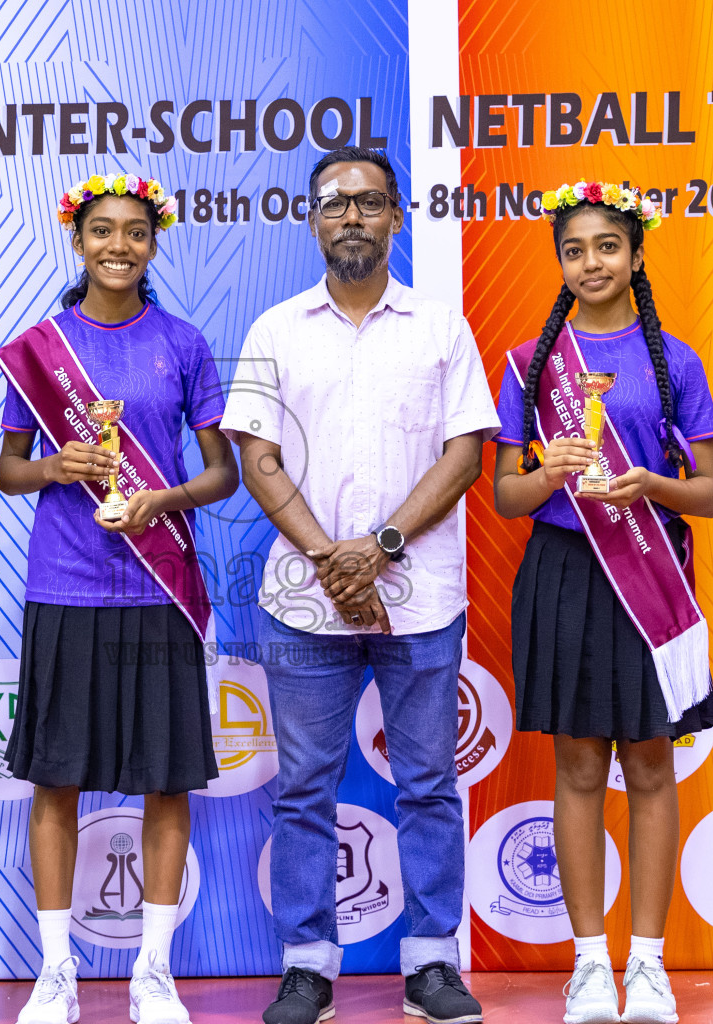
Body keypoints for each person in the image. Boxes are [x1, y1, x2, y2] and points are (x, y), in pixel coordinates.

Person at [221, 147, 497, 1024]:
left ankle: (431, 963)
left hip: (422, 600)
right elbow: (257, 459)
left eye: (369, 203)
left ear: (396, 218)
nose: (352, 217)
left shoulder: (440, 329)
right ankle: (307, 966)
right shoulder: (275, 330)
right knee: (306, 787)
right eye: (335, 204)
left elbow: (465, 453)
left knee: (427, 783)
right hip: (304, 607)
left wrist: (376, 551)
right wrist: (331, 564)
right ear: (312, 221)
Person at [0, 172, 238, 1024]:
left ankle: (153, 972)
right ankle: (55, 971)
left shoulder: (183, 342)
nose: (119, 246)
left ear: (154, 243)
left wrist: (161, 499)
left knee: (165, 781)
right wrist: (56, 467)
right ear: (78, 240)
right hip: (65, 588)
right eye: (102, 230)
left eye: (136, 231)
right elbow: (5, 470)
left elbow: (222, 473)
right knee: (55, 780)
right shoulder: (39, 349)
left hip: (160, 587)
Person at [491, 181, 713, 1024]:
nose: (591, 263)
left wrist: (652, 483)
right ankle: (591, 965)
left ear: (635, 254)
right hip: (564, 573)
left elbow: (710, 495)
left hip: (649, 577)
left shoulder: (677, 362)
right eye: (574, 250)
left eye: (606, 246)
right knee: (581, 767)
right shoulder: (528, 363)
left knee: (652, 765)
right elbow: (506, 498)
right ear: (560, 262)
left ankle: (649, 966)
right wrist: (548, 471)